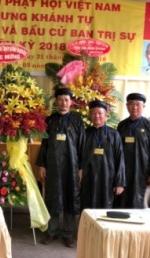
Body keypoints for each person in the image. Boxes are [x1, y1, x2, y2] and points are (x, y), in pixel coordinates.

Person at [36, 88, 86, 248]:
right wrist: (42, 165)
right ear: (56, 101)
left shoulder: (77, 120)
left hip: (72, 166)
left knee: (71, 198)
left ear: (71, 102)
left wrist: (81, 168)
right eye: (60, 100)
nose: (63, 103)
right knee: (53, 197)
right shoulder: (49, 120)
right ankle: (52, 231)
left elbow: (82, 145)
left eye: (66, 100)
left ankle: (68, 234)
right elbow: (44, 144)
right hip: (53, 167)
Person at [114, 93, 150, 209]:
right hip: (124, 171)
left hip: (142, 171)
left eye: (138, 105)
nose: (135, 107)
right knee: (123, 202)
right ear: (126, 106)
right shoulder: (122, 125)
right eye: (131, 104)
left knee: (141, 203)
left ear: (143, 106)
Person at [80, 101, 126, 210]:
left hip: (107, 178)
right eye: (93, 113)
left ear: (106, 115)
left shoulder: (114, 134)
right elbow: (78, 156)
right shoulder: (84, 134)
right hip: (88, 177)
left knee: (105, 206)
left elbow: (120, 158)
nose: (97, 116)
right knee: (87, 206)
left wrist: (119, 183)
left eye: (100, 113)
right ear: (89, 115)